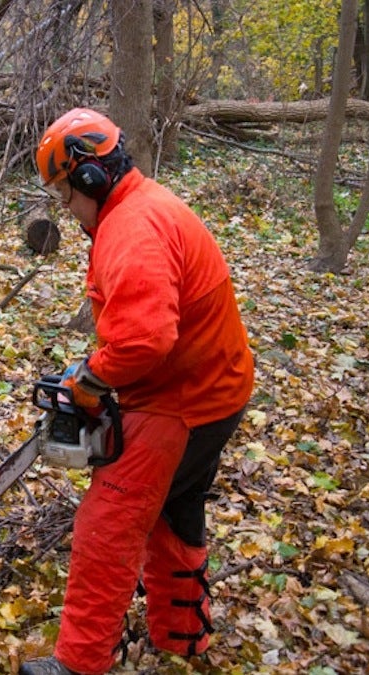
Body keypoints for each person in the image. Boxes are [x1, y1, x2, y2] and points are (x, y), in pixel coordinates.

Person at [20, 108, 255, 675]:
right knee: (175, 511)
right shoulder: (145, 204)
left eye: (65, 194)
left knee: (109, 524)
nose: (67, 210)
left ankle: (78, 664)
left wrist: (91, 381)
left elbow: (145, 339)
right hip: (213, 386)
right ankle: (181, 637)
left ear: (90, 179)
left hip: (183, 401)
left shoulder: (131, 228)